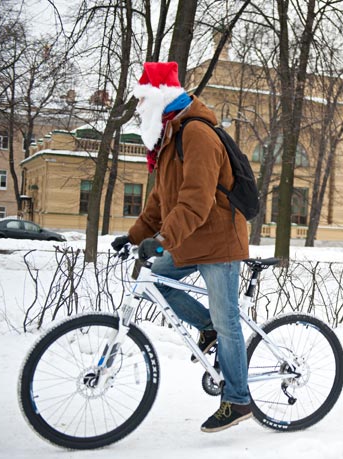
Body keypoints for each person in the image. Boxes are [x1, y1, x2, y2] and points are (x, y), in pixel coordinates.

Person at [111, 61, 251, 433]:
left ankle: (238, 400)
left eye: (143, 102)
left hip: (219, 241)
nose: (140, 110)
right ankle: (207, 328)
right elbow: (160, 201)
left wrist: (162, 241)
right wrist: (135, 237)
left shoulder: (197, 135)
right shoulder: (170, 139)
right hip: (192, 238)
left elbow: (195, 200)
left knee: (228, 322)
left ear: (161, 100)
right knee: (157, 279)